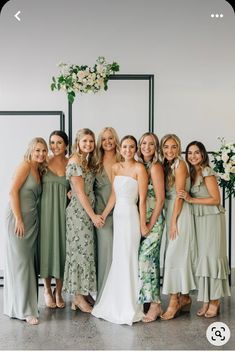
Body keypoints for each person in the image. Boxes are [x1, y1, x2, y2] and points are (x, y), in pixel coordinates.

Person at [92, 135, 148, 325]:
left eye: (131, 147)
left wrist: (142, 224)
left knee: (130, 257)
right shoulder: (115, 168)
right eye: (124, 146)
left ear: (135, 149)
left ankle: (131, 304)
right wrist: (103, 215)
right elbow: (114, 195)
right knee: (119, 258)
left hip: (131, 217)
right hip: (118, 216)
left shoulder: (140, 168)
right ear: (120, 148)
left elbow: (142, 199)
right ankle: (116, 302)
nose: (127, 150)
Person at [178, 141, 231, 318]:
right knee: (203, 259)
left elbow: (216, 199)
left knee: (213, 257)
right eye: (190, 153)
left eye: (197, 152)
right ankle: (206, 299)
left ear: (203, 155)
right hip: (199, 220)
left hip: (212, 219)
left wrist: (191, 200)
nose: (193, 156)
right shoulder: (192, 173)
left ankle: (215, 300)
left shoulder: (207, 172)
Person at [4, 137, 48, 325]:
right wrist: (19, 219)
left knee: (28, 265)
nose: (40, 153)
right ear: (30, 150)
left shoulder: (38, 169)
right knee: (21, 264)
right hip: (18, 220)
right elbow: (12, 192)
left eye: (43, 151)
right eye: (37, 150)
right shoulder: (24, 165)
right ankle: (25, 310)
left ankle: (21, 306)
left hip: (32, 222)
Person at [63, 128, 104, 313]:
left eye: (91, 141)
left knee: (86, 252)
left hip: (85, 212)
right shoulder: (74, 162)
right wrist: (93, 216)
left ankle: (83, 293)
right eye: (84, 141)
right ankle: (78, 298)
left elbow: (79, 188)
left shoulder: (85, 161)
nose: (88, 144)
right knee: (80, 252)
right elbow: (79, 193)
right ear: (77, 143)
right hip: (79, 214)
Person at [160, 134, 197, 320]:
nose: (169, 151)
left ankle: (174, 300)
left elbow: (180, 195)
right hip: (171, 212)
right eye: (166, 147)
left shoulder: (180, 165)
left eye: (173, 147)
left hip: (179, 213)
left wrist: (174, 220)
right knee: (176, 255)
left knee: (173, 255)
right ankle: (185, 298)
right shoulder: (167, 165)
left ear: (179, 147)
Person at [136, 132, 165, 322]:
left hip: (153, 222)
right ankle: (148, 302)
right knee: (150, 262)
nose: (147, 147)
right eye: (144, 143)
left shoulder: (154, 167)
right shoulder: (140, 166)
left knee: (145, 259)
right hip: (139, 222)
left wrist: (149, 225)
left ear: (156, 148)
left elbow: (160, 199)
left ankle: (155, 305)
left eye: (151, 144)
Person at [39, 131, 69, 309]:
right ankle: (47, 291)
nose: (55, 146)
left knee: (62, 249)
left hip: (64, 211)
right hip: (45, 211)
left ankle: (59, 291)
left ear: (66, 145)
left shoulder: (71, 162)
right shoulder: (43, 161)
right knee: (47, 249)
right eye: (52, 142)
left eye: (59, 143)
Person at [94, 127, 121, 304]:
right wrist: (70, 192)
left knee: (122, 254)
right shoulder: (95, 161)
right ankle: (104, 296)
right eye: (104, 139)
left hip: (122, 212)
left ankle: (121, 294)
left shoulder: (123, 158)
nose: (108, 142)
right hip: (102, 215)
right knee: (106, 254)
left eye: (111, 138)